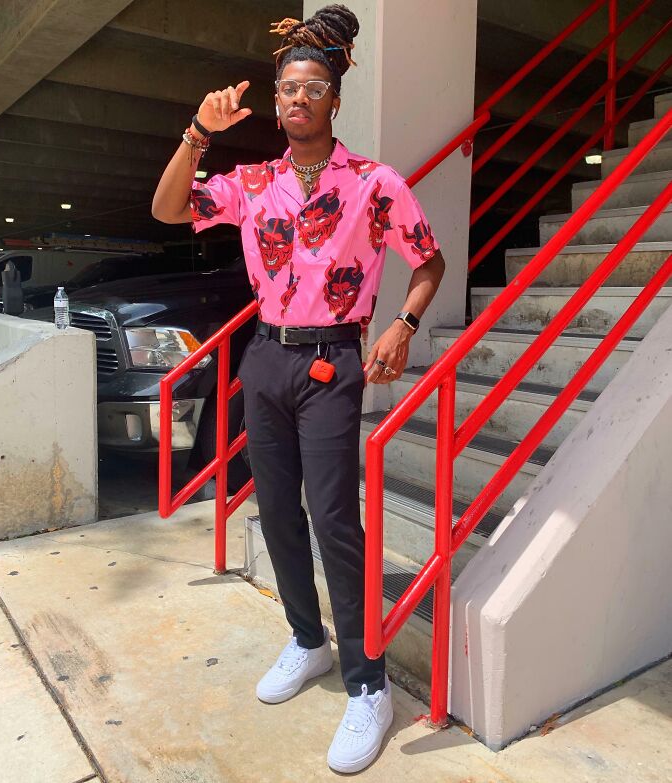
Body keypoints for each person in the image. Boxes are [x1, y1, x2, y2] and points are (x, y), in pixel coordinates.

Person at [152, 4, 445, 773]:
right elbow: (169, 206)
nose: (298, 99)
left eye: (313, 88)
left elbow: (428, 261)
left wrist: (403, 325)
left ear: (334, 101)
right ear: (276, 101)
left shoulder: (375, 183)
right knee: (278, 510)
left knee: (335, 519)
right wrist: (199, 131)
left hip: (332, 362)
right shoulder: (253, 184)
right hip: (265, 358)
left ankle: (368, 682)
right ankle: (309, 640)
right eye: (288, 89)